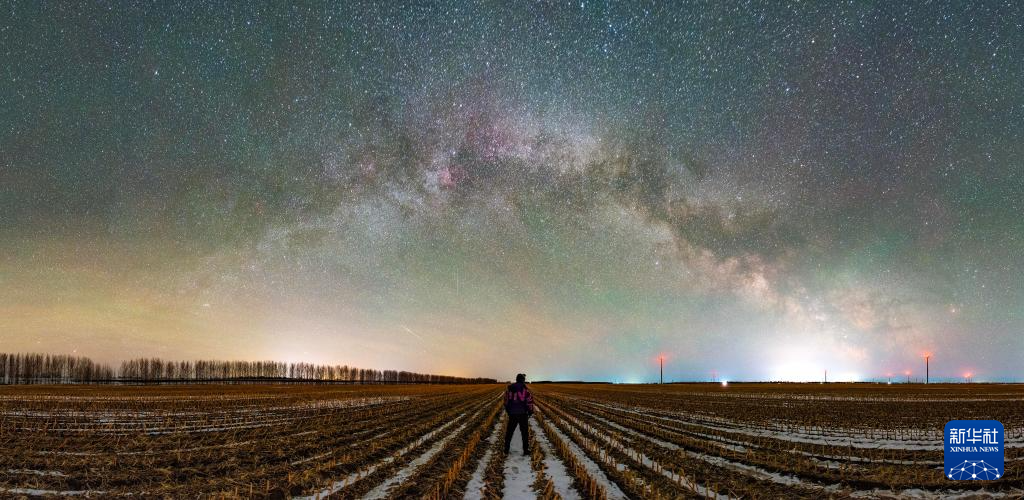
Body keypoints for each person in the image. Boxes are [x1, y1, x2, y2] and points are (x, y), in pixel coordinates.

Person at [504, 373, 535, 455]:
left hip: (512, 414)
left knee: (509, 432)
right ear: (522, 380)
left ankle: (506, 449)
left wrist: (508, 411)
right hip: (522, 414)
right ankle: (525, 450)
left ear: (516, 379)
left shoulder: (509, 389)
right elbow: (529, 401)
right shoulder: (525, 389)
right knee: (524, 433)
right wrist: (530, 411)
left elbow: (506, 401)